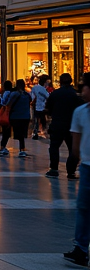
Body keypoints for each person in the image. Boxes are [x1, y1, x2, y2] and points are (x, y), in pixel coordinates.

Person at [65, 73, 90, 266]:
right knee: (82, 208)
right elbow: (74, 146)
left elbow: (75, 146)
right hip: (88, 166)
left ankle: (81, 248)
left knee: (83, 208)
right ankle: (80, 248)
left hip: (87, 166)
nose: (82, 91)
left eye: (85, 87)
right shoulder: (80, 111)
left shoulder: (81, 112)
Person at [46, 73, 82, 179]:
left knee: (54, 146)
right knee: (72, 148)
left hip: (57, 124)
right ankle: (71, 171)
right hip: (72, 125)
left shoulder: (55, 94)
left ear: (60, 82)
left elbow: (49, 108)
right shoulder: (75, 94)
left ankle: (54, 168)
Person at [6, 78, 32, 158]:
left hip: (15, 116)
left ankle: (4, 147)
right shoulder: (27, 94)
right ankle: (22, 149)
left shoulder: (15, 94)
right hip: (25, 116)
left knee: (14, 132)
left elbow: (8, 104)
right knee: (22, 134)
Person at [32, 75, 51, 140]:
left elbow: (32, 96)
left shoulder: (34, 87)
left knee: (36, 120)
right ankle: (45, 131)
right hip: (42, 107)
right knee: (43, 120)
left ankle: (35, 132)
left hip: (35, 106)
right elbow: (48, 97)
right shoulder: (43, 89)